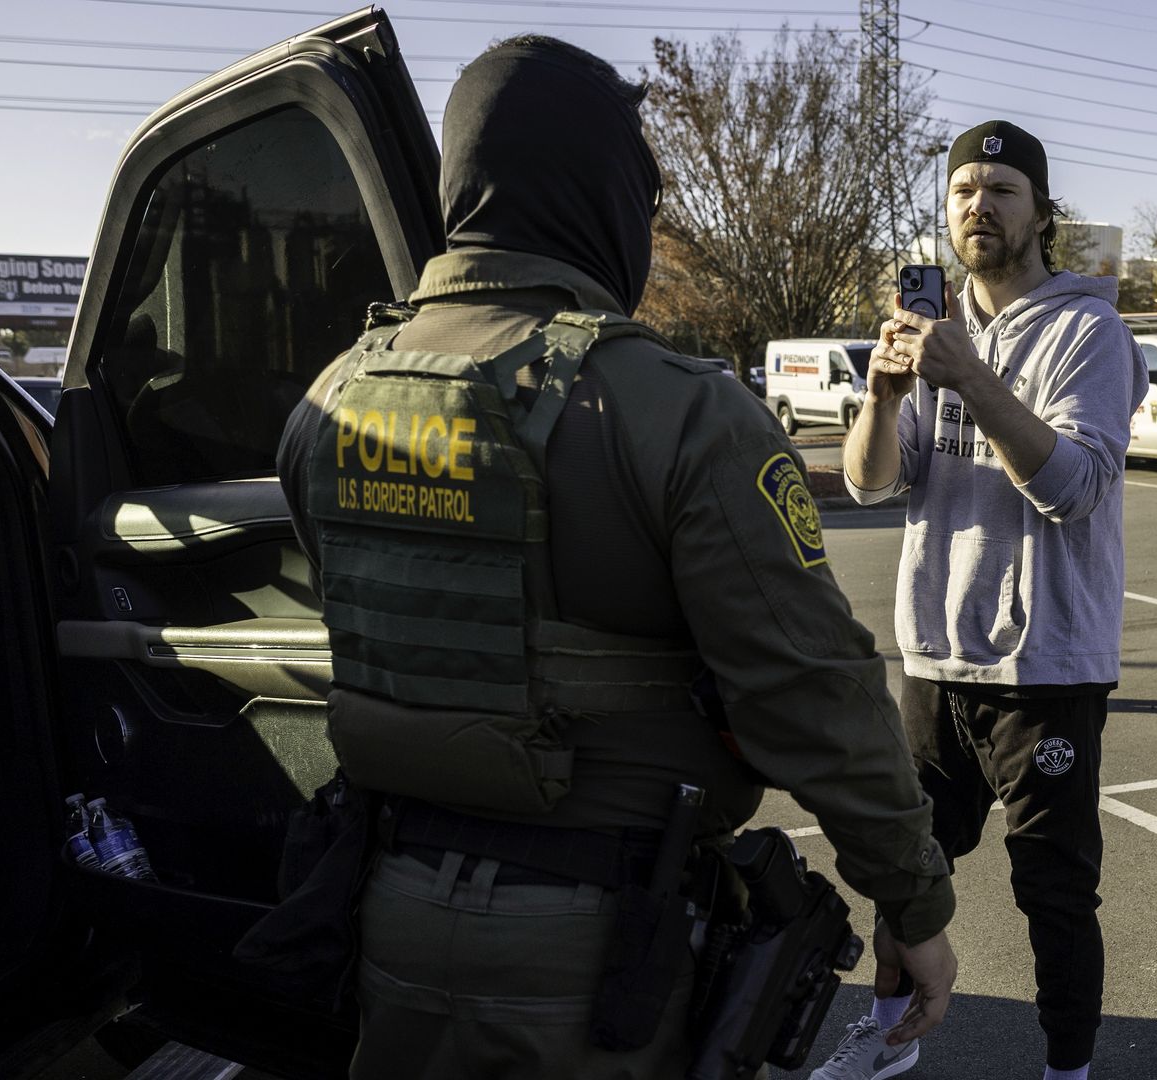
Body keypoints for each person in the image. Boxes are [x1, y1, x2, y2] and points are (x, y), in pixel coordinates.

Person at [274, 36, 957, 1080]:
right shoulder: (673, 411)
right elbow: (811, 690)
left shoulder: (330, 399)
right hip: (594, 955)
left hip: (383, 914)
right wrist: (913, 899)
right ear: (601, 193)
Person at [822, 119, 1145, 1080]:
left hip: (1044, 665)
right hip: (934, 653)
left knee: (1055, 893)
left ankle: (1066, 1071)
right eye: (964, 189)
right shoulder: (933, 333)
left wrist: (972, 375)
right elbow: (875, 484)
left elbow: (1074, 485)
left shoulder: (1091, 332)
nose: (979, 205)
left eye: (1001, 189)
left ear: (1042, 211)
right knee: (904, 873)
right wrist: (883, 395)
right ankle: (883, 1041)